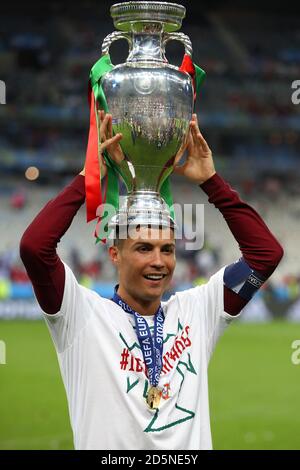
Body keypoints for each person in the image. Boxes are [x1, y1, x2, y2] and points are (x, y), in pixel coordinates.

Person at [20, 112, 283, 450]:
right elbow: (35, 247)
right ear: (115, 254)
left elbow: (265, 256)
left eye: (167, 249)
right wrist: (90, 176)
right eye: (143, 248)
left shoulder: (198, 311)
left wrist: (212, 182)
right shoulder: (79, 314)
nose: (159, 261)